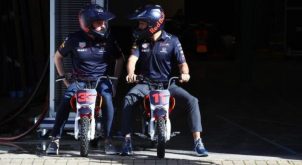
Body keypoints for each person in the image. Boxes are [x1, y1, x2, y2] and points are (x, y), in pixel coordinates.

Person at [120, 4, 208, 157]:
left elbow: (182, 63)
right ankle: (127, 141)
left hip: (167, 84)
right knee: (128, 98)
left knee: (192, 101)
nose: (139, 26)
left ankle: (198, 142)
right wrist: (131, 73)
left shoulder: (173, 41)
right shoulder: (140, 41)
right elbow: (132, 59)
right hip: (145, 83)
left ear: (153, 24)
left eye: (142, 23)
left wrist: (185, 74)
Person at [46, 3, 124, 155]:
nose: (103, 25)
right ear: (88, 24)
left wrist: (114, 81)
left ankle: (107, 139)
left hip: (100, 80)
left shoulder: (109, 39)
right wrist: (63, 78)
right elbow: (57, 57)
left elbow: (120, 59)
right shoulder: (73, 39)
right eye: (99, 22)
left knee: (108, 99)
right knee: (66, 100)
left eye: (104, 21)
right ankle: (55, 139)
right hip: (79, 80)